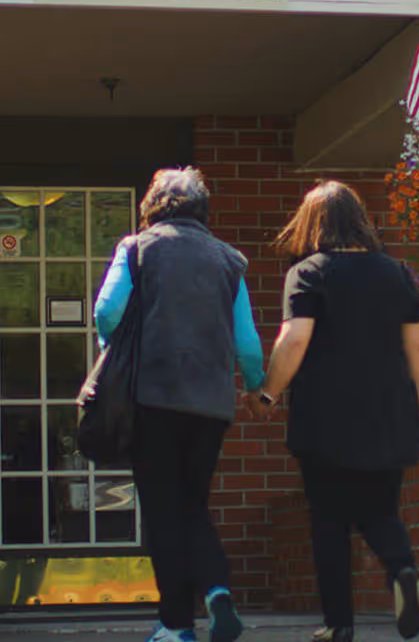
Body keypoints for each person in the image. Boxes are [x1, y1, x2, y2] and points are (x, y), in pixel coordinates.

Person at [249, 180, 419, 642]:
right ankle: (403, 569)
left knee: (329, 518)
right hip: (390, 410)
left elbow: (294, 339)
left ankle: (339, 624)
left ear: (313, 224)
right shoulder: (397, 273)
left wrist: (268, 393)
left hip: (326, 415)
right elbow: (417, 346)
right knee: (381, 509)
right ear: (360, 221)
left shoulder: (310, 272)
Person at [93, 167, 265, 642]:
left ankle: (175, 626)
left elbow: (106, 311)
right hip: (211, 405)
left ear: (153, 205)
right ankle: (217, 591)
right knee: (193, 503)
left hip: (153, 397)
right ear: (201, 208)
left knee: (164, 509)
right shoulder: (230, 260)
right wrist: (254, 386)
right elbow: (248, 343)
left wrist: (115, 349)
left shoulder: (136, 248)